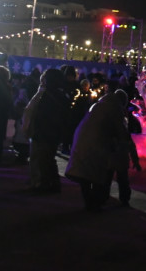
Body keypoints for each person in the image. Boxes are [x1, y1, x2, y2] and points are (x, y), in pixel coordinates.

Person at [66, 84, 129, 212]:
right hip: (96, 144)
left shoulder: (99, 105)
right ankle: (95, 203)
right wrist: (126, 148)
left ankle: (90, 203)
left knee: (84, 174)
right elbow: (121, 132)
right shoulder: (115, 108)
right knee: (97, 174)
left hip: (82, 140)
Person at [25, 68, 67, 194]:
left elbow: (38, 113)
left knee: (41, 159)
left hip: (43, 132)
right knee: (48, 159)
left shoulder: (46, 95)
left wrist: (34, 129)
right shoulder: (61, 95)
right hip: (52, 132)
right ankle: (52, 183)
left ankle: (42, 185)